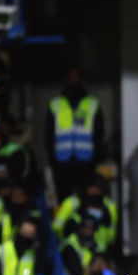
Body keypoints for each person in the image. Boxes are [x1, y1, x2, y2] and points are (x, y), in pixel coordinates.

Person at [46, 68, 105, 199]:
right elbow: (49, 136)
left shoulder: (92, 104)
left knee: (85, 199)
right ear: (66, 80)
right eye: (71, 78)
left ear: (82, 80)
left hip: (86, 162)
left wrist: (96, 158)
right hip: (62, 162)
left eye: (76, 77)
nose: (74, 81)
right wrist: (53, 160)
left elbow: (99, 135)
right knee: (64, 200)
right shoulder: (56, 104)